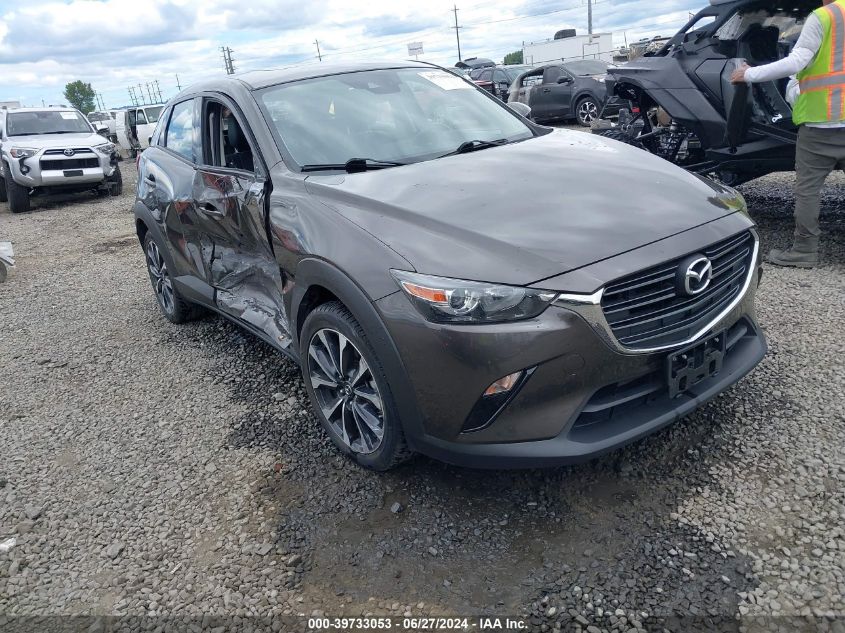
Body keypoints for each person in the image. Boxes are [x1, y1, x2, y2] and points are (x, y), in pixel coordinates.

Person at [731, 0, 845, 268]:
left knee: (808, 191)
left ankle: (805, 251)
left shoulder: (825, 16)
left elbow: (797, 61)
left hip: (821, 122)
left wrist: (748, 74)